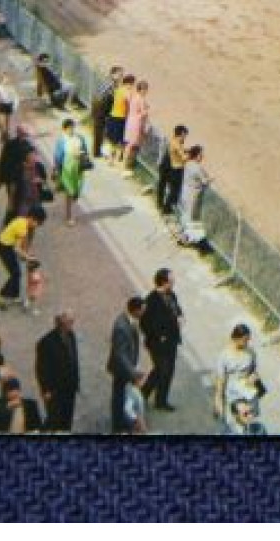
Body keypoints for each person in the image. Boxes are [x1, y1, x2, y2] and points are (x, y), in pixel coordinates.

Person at [140, 268, 183, 411]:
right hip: (158, 344)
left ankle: (159, 399)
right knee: (161, 370)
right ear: (164, 282)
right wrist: (158, 336)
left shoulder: (171, 295)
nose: (174, 283)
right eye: (171, 281)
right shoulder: (151, 301)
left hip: (172, 341)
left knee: (167, 371)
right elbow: (144, 324)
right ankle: (147, 395)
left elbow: (177, 309)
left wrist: (180, 316)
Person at [213, 323, 265, 435]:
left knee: (248, 421)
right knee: (232, 424)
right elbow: (220, 380)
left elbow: (254, 371)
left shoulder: (250, 352)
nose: (247, 343)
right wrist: (218, 401)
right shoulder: (224, 356)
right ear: (235, 338)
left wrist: (254, 377)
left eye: (248, 340)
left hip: (247, 390)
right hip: (232, 393)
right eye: (244, 340)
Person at [35, 311, 81, 431]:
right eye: (70, 322)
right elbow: (41, 369)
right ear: (61, 324)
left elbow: (73, 359)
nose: (73, 324)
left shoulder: (71, 335)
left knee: (67, 418)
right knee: (55, 420)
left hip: (70, 388)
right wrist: (45, 390)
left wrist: (76, 381)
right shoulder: (46, 342)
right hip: (55, 391)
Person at [0, 207, 45, 308]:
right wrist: (28, 258)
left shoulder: (21, 221)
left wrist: (27, 254)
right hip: (5, 248)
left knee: (16, 272)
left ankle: (14, 295)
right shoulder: (22, 228)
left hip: (4, 244)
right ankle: (3, 295)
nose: (37, 226)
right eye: (37, 223)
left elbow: (22, 244)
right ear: (32, 218)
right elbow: (17, 249)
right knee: (15, 273)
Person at [108, 297, 144, 434]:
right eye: (142, 310)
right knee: (119, 396)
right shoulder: (121, 327)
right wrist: (133, 373)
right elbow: (120, 355)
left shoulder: (130, 321)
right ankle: (118, 426)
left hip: (127, 367)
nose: (143, 312)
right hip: (121, 369)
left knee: (123, 395)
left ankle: (122, 420)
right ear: (136, 310)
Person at [52, 119, 90, 226]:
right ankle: (68, 217)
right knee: (69, 192)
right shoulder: (61, 140)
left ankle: (71, 201)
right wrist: (56, 169)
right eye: (69, 128)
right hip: (67, 168)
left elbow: (85, 152)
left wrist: (82, 155)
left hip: (78, 168)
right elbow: (58, 156)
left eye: (72, 127)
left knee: (77, 190)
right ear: (64, 129)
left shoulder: (80, 138)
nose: (71, 130)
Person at [175, 144, 211, 245]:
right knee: (192, 217)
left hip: (185, 192)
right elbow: (205, 181)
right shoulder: (197, 168)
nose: (202, 156)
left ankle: (184, 235)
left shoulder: (188, 164)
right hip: (193, 195)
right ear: (197, 155)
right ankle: (188, 238)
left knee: (185, 214)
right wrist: (210, 179)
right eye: (201, 154)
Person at [90, 67, 122, 159]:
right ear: (113, 74)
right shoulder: (111, 83)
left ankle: (97, 150)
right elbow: (112, 96)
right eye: (119, 74)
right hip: (100, 105)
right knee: (98, 129)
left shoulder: (109, 81)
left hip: (99, 104)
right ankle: (96, 152)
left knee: (99, 129)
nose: (121, 76)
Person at [156, 125, 188, 216]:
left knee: (162, 185)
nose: (185, 137)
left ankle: (160, 205)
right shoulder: (177, 143)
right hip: (171, 167)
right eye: (184, 135)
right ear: (181, 134)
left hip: (166, 165)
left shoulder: (173, 141)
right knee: (173, 189)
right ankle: (166, 210)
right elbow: (182, 156)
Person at [122, 79, 151, 171]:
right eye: (145, 89)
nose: (146, 91)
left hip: (131, 121)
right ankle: (127, 165)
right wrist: (147, 110)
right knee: (132, 145)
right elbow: (143, 113)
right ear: (141, 89)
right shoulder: (141, 99)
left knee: (129, 144)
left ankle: (126, 164)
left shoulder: (134, 97)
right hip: (137, 123)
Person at [105, 73, 134, 164]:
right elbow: (130, 103)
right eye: (132, 84)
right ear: (129, 83)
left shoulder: (119, 90)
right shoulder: (126, 92)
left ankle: (111, 159)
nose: (132, 86)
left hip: (113, 116)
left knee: (112, 140)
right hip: (120, 118)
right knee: (121, 141)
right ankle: (117, 159)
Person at [0, 73, 19, 141]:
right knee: (1, 121)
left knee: (7, 121)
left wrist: (15, 106)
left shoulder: (11, 88)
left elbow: (16, 98)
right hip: (1, 105)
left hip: (9, 105)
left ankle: (6, 134)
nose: (6, 80)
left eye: (7, 78)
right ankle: (3, 133)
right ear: (1, 80)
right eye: (4, 79)